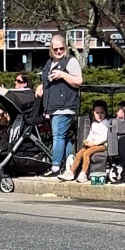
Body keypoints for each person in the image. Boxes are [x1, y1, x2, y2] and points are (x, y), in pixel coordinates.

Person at [38, 34, 82, 177]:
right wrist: (41, 86)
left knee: (57, 136)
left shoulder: (71, 61)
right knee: (63, 137)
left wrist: (63, 75)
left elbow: (79, 81)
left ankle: (55, 167)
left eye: (61, 48)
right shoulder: (48, 63)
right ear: (51, 49)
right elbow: (47, 80)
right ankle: (70, 162)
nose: (58, 51)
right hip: (52, 106)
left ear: (66, 47)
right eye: (55, 49)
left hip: (65, 106)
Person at [61, 100, 109, 183]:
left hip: (102, 145)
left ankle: (84, 173)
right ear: (93, 113)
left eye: (102, 113)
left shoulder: (106, 123)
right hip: (92, 143)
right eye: (97, 113)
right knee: (80, 153)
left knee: (87, 153)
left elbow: (104, 137)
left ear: (105, 113)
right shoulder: (94, 123)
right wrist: (87, 140)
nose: (99, 115)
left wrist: (94, 143)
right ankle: (71, 172)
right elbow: (91, 134)